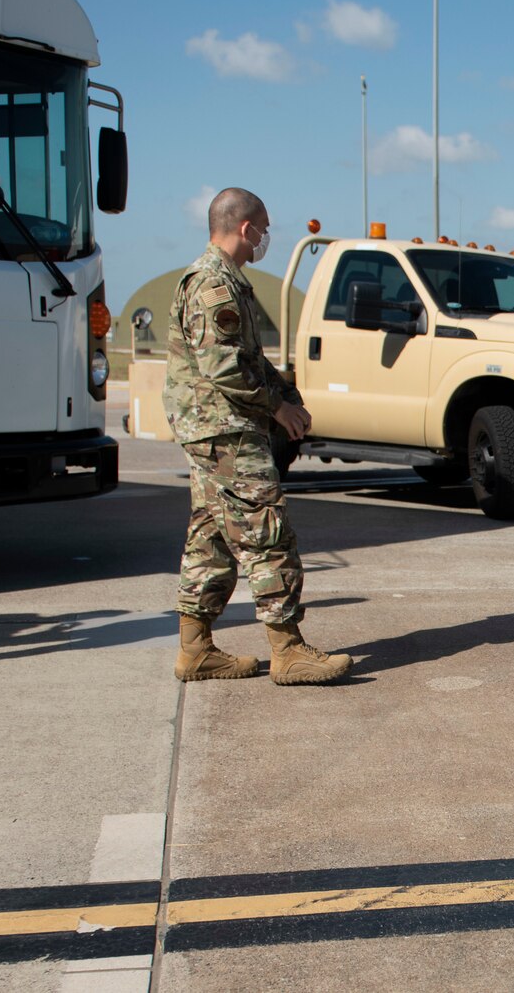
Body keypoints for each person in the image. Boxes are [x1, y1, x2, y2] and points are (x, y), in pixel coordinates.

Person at [165, 187, 350, 684]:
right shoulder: (213, 284)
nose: (264, 238)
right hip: (225, 429)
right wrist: (276, 408)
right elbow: (222, 366)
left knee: (212, 539)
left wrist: (285, 394)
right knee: (268, 531)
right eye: (263, 229)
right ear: (245, 228)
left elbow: (248, 359)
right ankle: (288, 650)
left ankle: (195, 648)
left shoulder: (228, 282)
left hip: (214, 427)